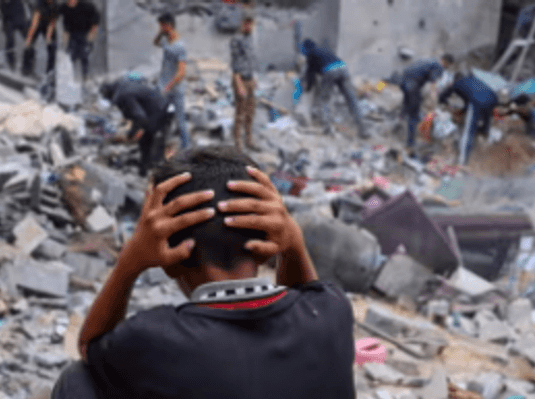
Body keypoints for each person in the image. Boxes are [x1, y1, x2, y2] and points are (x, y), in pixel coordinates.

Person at [50, 145, 356, 399]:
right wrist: (293, 244)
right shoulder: (333, 311)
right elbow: (304, 297)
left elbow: (90, 347)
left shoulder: (153, 339)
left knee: (77, 381)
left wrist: (131, 260)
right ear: (266, 246)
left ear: (169, 259)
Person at [100, 79, 171, 176]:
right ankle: (145, 169)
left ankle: (153, 171)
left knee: (149, 139)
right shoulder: (123, 86)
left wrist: (131, 134)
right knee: (147, 139)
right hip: (160, 106)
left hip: (159, 110)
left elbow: (139, 116)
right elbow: (135, 114)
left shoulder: (123, 95)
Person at [301, 39, 368, 138]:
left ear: (306, 48)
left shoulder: (311, 56)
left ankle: (327, 128)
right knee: (352, 99)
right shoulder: (323, 50)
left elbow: (310, 76)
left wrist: (307, 89)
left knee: (324, 99)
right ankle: (364, 130)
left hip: (330, 71)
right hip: (343, 68)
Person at [439, 71, 498, 166]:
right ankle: (485, 135)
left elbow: (443, 95)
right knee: (485, 125)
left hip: (478, 101)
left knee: (468, 131)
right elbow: (468, 100)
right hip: (493, 99)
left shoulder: (457, 83)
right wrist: (463, 109)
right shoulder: (473, 79)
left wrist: (443, 102)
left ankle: (462, 161)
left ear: (455, 79)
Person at [399, 55, 453, 149]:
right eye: (449, 65)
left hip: (403, 79)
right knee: (414, 114)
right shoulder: (439, 67)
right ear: (446, 62)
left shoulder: (430, 60)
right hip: (412, 83)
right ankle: (410, 143)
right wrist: (434, 102)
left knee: (408, 103)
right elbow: (433, 85)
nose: (448, 67)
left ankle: (399, 121)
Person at [155, 13, 190, 149]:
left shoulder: (180, 46)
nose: (160, 28)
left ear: (169, 25)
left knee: (180, 120)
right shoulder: (165, 41)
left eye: (162, 26)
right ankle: (162, 146)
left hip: (175, 89)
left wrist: (168, 87)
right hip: (163, 86)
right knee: (161, 117)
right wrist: (160, 32)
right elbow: (155, 42)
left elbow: (181, 73)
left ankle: (187, 148)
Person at [230, 12, 259, 151]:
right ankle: (238, 143)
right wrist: (239, 85)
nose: (249, 26)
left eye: (251, 23)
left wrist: (254, 79)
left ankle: (249, 140)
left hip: (250, 79)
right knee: (240, 114)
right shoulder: (236, 40)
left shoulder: (250, 39)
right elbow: (235, 64)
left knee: (250, 113)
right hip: (240, 80)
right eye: (246, 23)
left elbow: (250, 61)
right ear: (242, 24)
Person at [59, 0, 100, 80]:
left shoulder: (87, 6)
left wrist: (93, 32)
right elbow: (55, 14)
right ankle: (69, 77)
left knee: (84, 55)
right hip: (71, 34)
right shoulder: (64, 7)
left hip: (85, 33)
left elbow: (96, 18)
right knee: (71, 56)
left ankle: (86, 76)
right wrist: (64, 34)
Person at [0, 0, 30, 72]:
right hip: (7, 19)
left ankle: (28, 66)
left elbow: (30, 3)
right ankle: (12, 65)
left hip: (19, 14)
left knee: (30, 40)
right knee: (10, 41)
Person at [23, 0, 61, 77]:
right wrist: (29, 39)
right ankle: (26, 70)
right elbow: (34, 23)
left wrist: (48, 36)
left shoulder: (56, 6)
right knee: (29, 44)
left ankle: (49, 73)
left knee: (52, 46)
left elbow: (52, 22)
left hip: (48, 24)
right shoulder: (39, 3)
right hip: (37, 23)